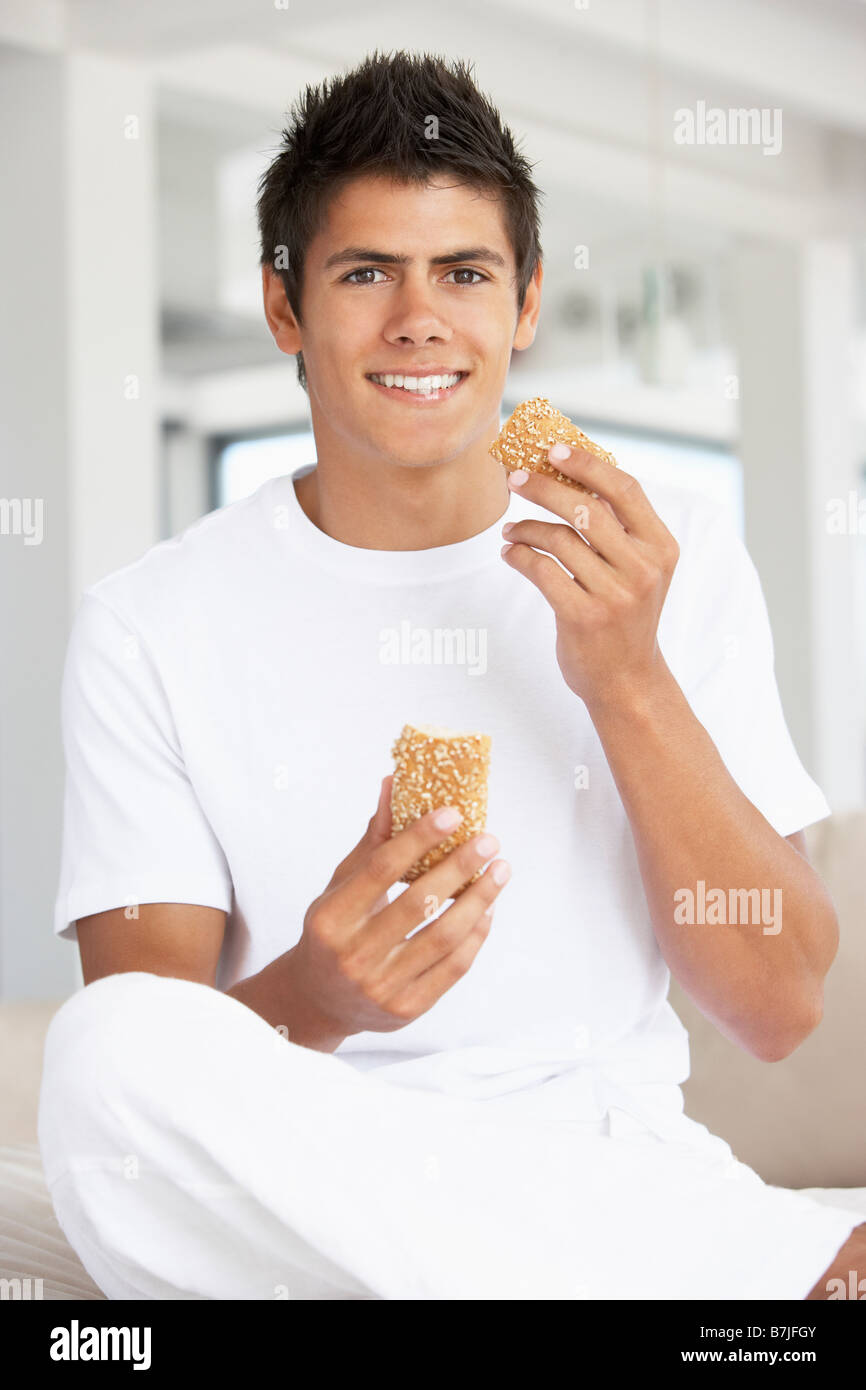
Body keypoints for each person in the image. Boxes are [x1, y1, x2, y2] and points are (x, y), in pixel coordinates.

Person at [39, 49, 864, 1301]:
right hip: (308, 1179)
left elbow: (779, 1006)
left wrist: (625, 675)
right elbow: (152, 1062)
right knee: (95, 1053)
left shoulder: (664, 552)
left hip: (602, 1158)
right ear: (284, 307)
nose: (417, 319)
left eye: (464, 273)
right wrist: (316, 997)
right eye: (365, 272)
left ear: (524, 302)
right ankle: (735, 1274)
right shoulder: (147, 623)